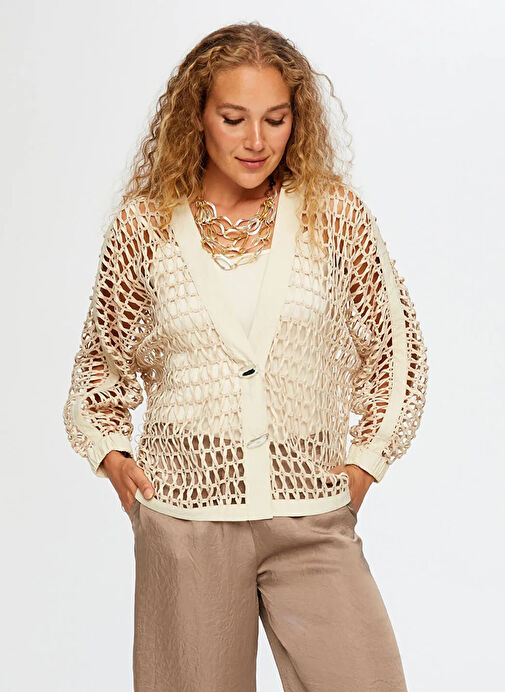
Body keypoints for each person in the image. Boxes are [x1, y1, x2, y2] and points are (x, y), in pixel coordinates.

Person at [62, 21, 428, 692]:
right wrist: (113, 456)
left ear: (296, 121)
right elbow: (99, 365)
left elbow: (397, 350)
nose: (256, 140)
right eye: (234, 119)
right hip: (185, 520)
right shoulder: (144, 227)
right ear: (197, 117)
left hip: (309, 508)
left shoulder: (333, 216)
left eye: (275, 119)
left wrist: (364, 463)